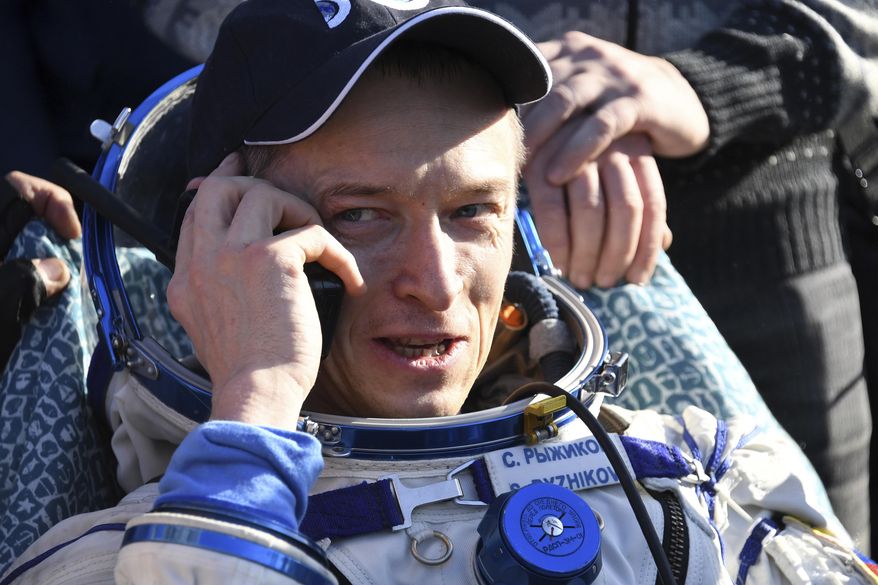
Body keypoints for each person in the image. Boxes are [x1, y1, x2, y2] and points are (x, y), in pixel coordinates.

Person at [2, 1, 874, 583]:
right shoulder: (119, 554)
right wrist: (255, 410)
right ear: (229, 234)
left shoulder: (700, 480)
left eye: (471, 212)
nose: (437, 282)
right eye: (361, 215)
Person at [465, 0, 878, 548]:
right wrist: (469, 89)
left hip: (781, 265)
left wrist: (703, 79)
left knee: (812, 557)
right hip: (476, 240)